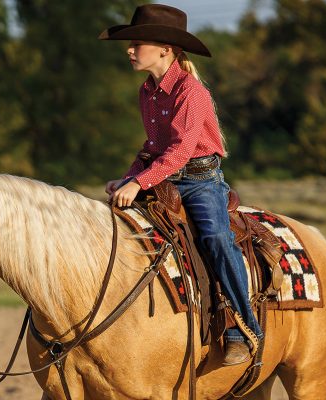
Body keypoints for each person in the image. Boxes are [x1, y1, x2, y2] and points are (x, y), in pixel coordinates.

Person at [99, 4, 263, 366]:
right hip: (165, 178)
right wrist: (127, 179)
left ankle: (244, 326)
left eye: (136, 43)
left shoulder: (192, 91)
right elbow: (153, 149)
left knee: (217, 239)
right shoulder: (148, 92)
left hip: (201, 181)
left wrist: (139, 182)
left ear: (165, 49)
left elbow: (179, 151)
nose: (129, 50)